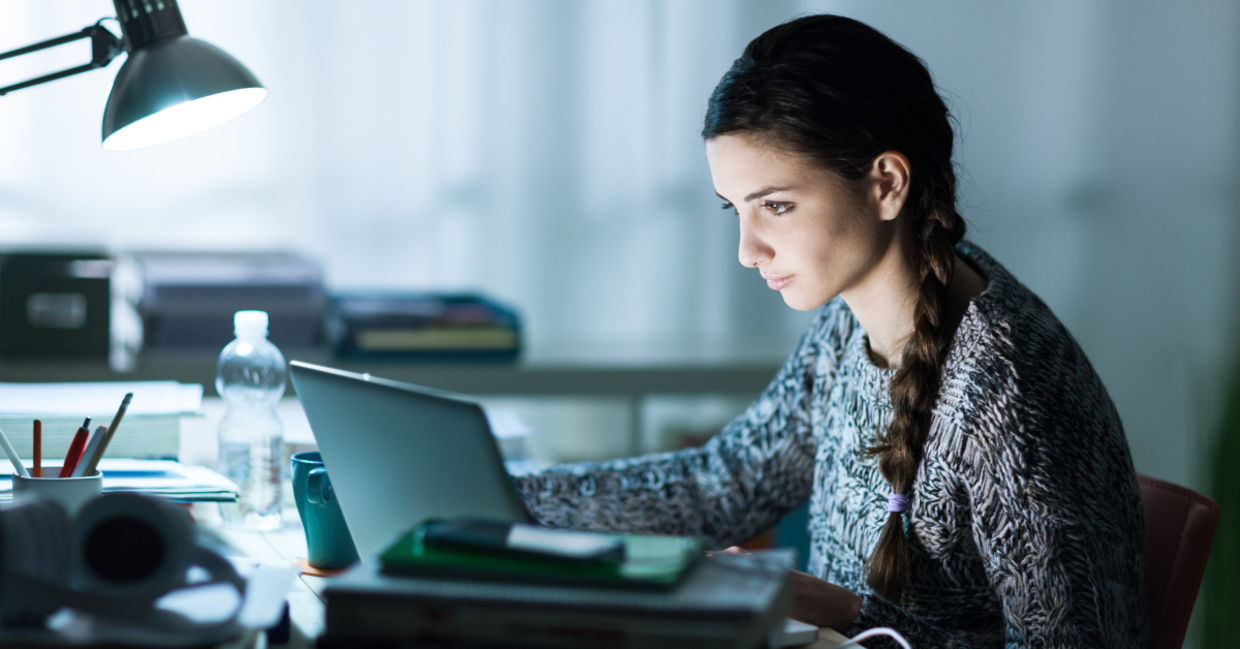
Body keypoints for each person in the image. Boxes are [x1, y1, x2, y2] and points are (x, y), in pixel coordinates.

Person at [513, 13, 1148, 648]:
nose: (747, 249)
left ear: (886, 184)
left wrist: (849, 616)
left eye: (777, 206)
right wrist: (508, 502)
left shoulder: (1007, 396)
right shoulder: (852, 325)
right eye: (735, 209)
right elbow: (725, 482)